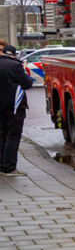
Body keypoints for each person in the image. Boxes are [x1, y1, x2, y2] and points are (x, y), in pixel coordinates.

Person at [0, 45, 33, 176]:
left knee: (2, 135)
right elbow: (27, 84)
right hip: (14, 106)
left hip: (0, 107)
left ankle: (1, 166)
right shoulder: (15, 66)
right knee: (13, 135)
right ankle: (9, 167)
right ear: (14, 55)